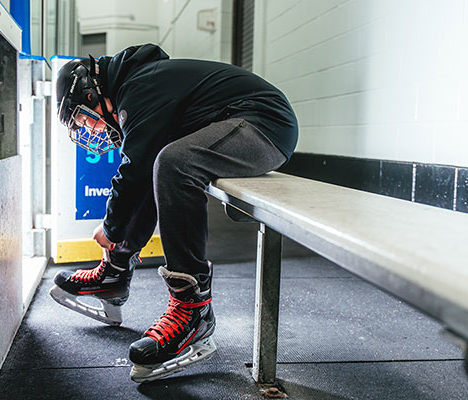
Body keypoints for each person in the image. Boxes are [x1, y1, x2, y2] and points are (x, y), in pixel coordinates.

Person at [49, 43, 298, 383]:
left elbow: (133, 169)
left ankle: (192, 308)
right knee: (159, 159)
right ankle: (115, 273)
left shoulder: (141, 86)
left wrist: (111, 227)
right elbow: (140, 167)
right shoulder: (138, 85)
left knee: (174, 163)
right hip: (239, 122)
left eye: (83, 117)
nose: (90, 129)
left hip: (265, 125)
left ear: (93, 93)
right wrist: (117, 238)